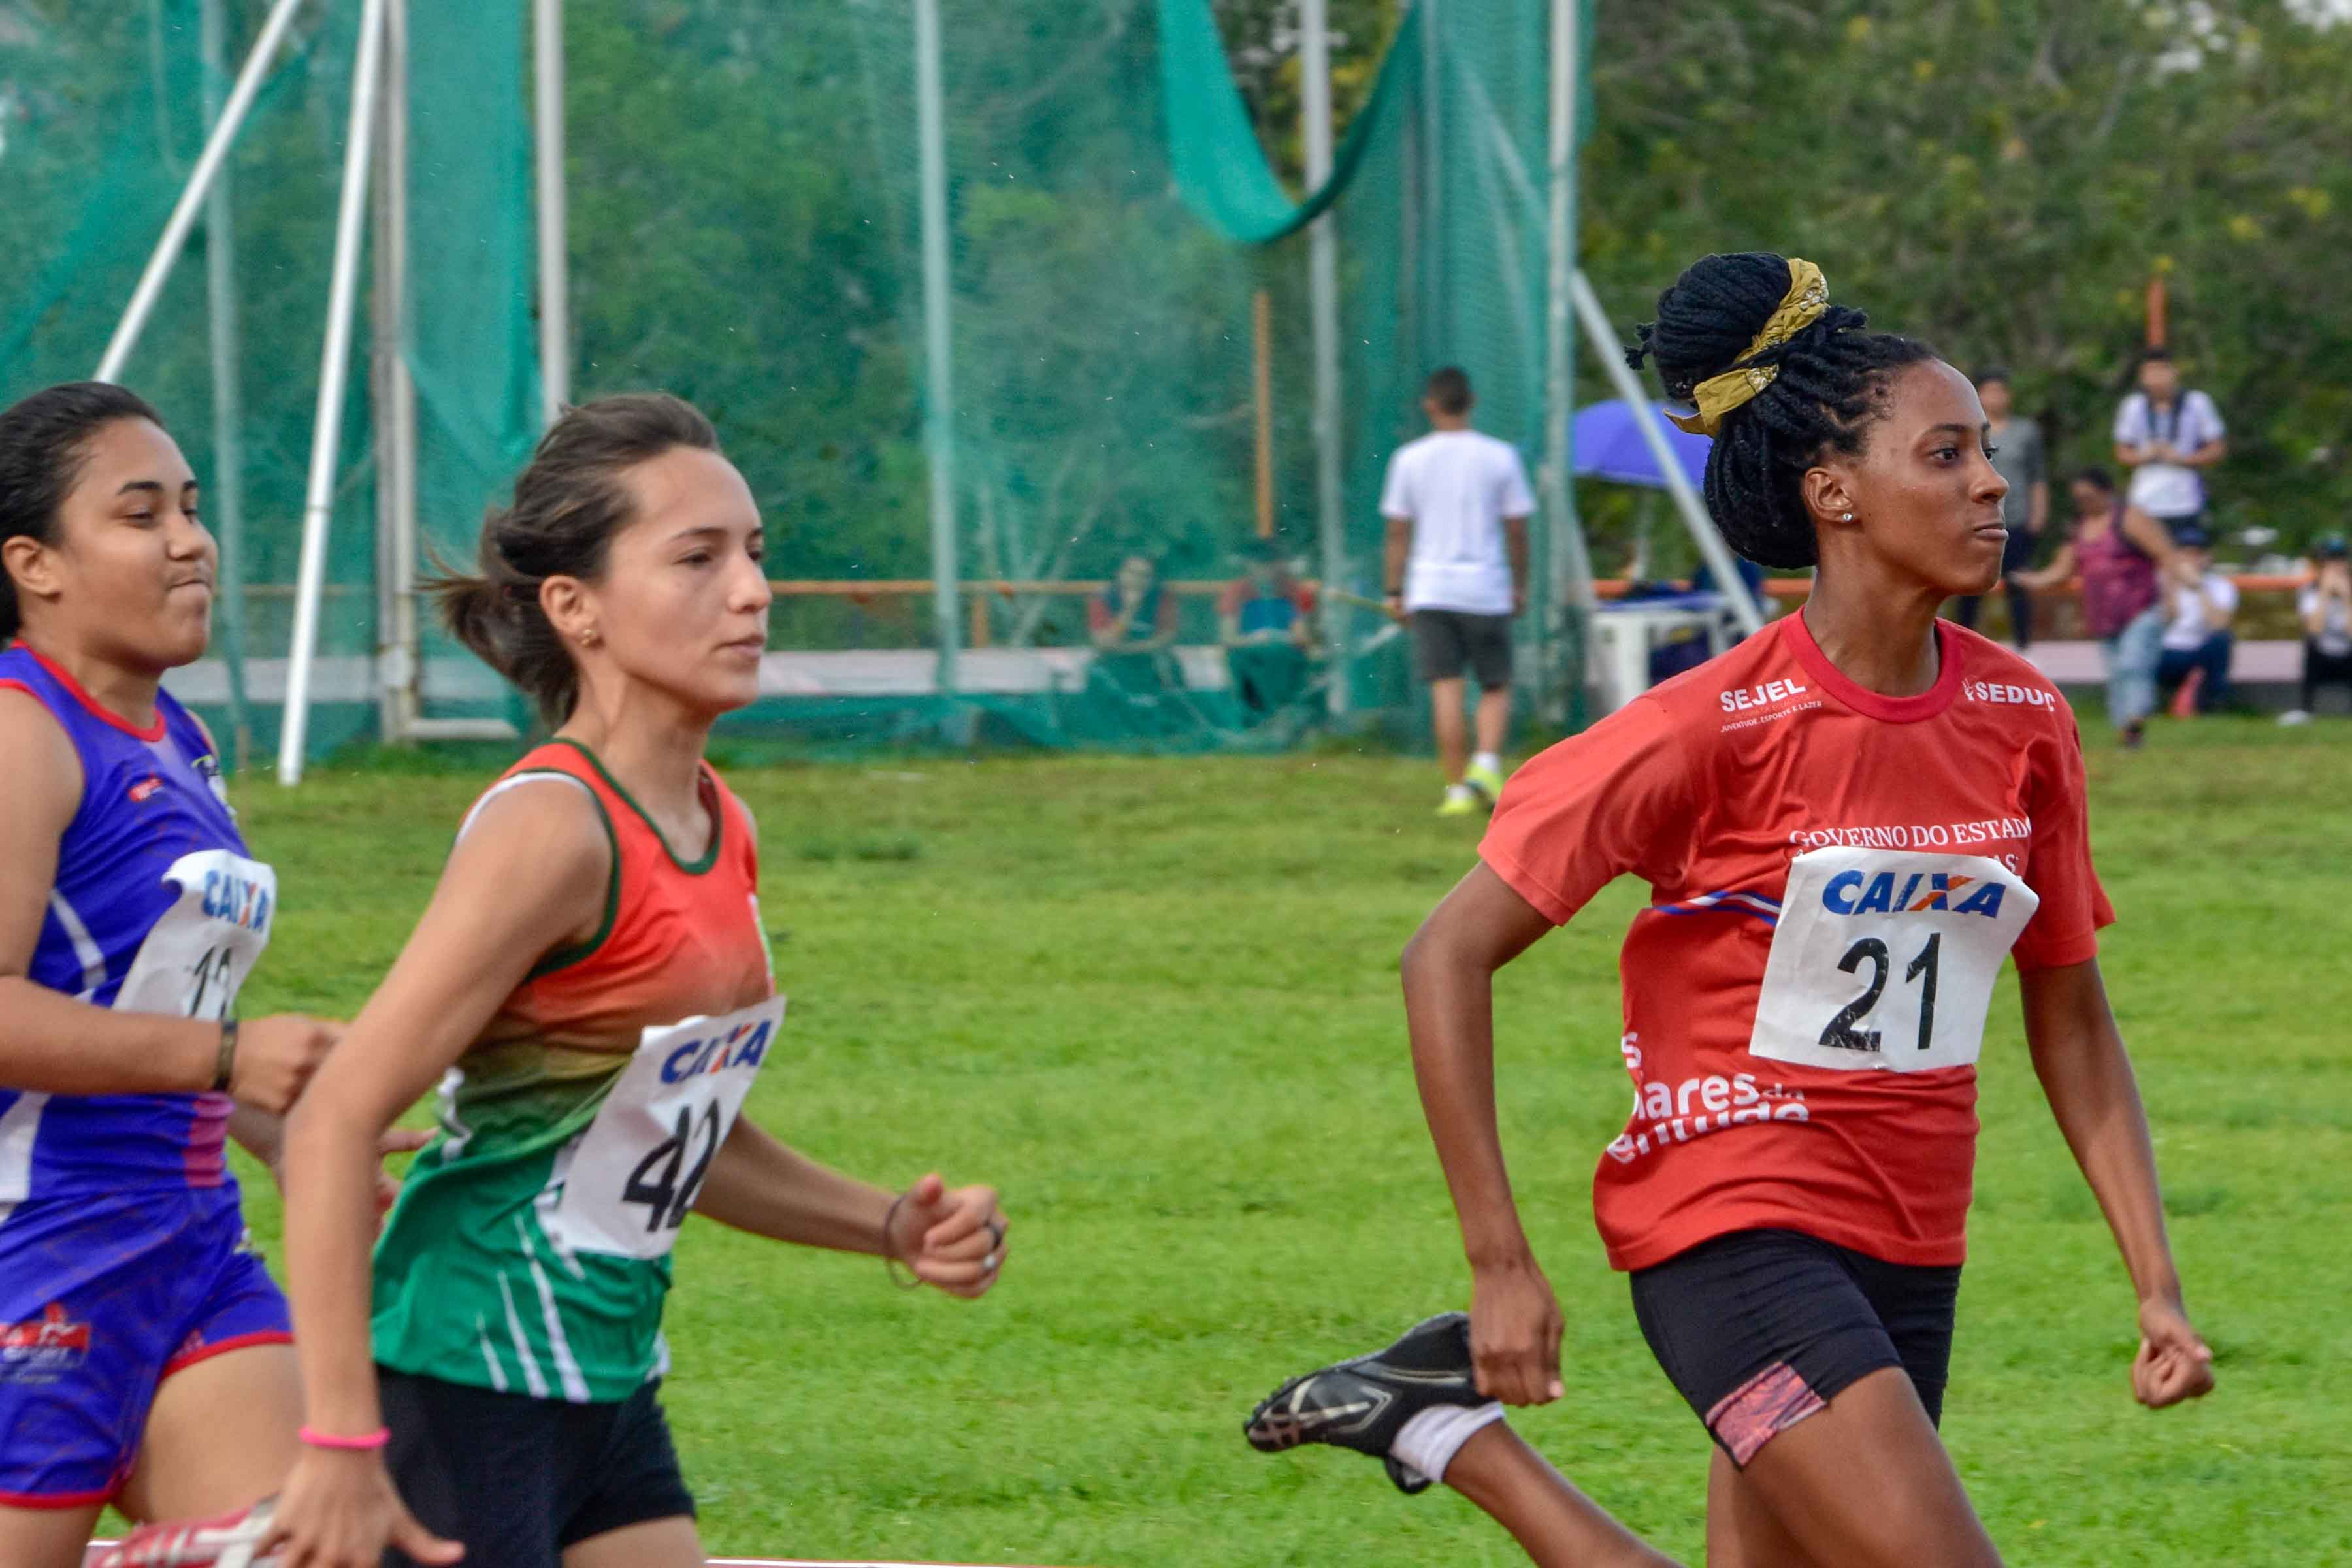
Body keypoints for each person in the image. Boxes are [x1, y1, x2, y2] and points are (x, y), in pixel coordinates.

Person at [1245, 253, 2212, 1568]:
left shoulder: (2024, 720)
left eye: (1987, 451)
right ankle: (1454, 1432)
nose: (1993, 483)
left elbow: (2074, 1016)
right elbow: (1446, 956)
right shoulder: (1711, 724)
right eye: (1946, 455)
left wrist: (2155, 1284)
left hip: (1912, 1239)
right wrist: (1499, 1263)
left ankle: (1447, 1438)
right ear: (1835, 495)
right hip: (1733, 1224)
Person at [237, 395, 1008, 1568]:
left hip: (603, 1381)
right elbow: (341, 1114)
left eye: (754, 555)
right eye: (696, 558)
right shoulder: (553, 830)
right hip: (463, 1375)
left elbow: (654, 1126)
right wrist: (340, 1438)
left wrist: (892, 1228)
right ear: (574, 607)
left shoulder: (716, 821)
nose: (750, 592)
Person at [0, 383, 410, 1568]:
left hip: (187, 1250)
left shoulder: (176, 735)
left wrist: (271, 1124)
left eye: (190, 506)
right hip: (40, 1255)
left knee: (319, 1550)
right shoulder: (23, 733)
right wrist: (230, 1055)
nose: (190, 540)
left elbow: (142, 993)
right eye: (140, 515)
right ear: (35, 563)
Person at [1379, 367, 1533, 817]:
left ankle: (1458, 791)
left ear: (1431, 405)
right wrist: (1518, 585)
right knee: (1495, 682)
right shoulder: (1501, 457)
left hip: (1431, 587)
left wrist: (1395, 590)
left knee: (1446, 688)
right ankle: (1486, 763)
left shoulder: (1408, 460)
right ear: (1473, 401)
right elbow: (1517, 531)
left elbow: (1397, 534)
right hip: (1486, 586)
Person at [2014, 470, 2177, 748]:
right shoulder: (2079, 528)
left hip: (2141, 608)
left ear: (2106, 492)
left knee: (2132, 665)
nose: (2084, 503)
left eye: (2089, 497)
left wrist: (2173, 598)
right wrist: (2027, 580)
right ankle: (2126, 732)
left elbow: (2165, 554)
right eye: (2079, 499)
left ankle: (2136, 721)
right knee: (2116, 674)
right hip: (2104, 616)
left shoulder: (2129, 518)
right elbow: (2062, 570)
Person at [1949, 368, 2045, 647]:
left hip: (2015, 517)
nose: (1996, 397)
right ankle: (1960, 643)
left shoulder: (2026, 431)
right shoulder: (1966, 432)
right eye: (1989, 391)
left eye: (2000, 391)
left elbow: (2037, 477)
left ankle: (2023, 648)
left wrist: (2038, 514)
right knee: (1970, 583)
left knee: (2018, 584)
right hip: (1976, 515)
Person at [2112, 348, 2225, 541]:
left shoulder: (2197, 403)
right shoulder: (2133, 406)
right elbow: (2122, 453)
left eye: (2162, 371)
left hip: (2185, 499)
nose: (2157, 378)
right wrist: (2145, 455)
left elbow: (2217, 449)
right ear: (2142, 377)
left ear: (2174, 372)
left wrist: (2182, 459)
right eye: (2151, 372)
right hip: (2144, 500)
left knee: (2187, 557)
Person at [1218, 538, 1317, 722]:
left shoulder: (1293, 591)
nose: (1266, 569)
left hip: (1284, 656)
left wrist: (1278, 638)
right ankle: (1255, 719)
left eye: (1271, 563)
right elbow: (1228, 638)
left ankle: (1284, 718)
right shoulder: (1236, 591)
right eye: (1260, 563)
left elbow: (1302, 636)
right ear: (1249, 565)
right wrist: (1256, 639)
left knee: (1284, 659)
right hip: (1249, 658)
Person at [2153, 525, 2236, 715]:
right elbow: (2163, 620)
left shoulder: (2221, 586)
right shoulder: (2159, 582)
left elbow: (2218, 624)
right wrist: (2172, 584)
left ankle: (2214, 703)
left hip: (2199, 651)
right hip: (2165, 651)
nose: (2192, 559)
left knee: (2222, 640)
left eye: (2197, 554)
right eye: (2186, 554)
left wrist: (2199, 587)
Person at [2281, 536, 2352, 723]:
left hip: (2348, 656)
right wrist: (2325, 594)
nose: (2336, 566)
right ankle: (2306, 709)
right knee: (2310, 643)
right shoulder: (2309, 591)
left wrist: (2347, 599)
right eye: (2330, 561)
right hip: (2322, 658)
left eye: (2340, 560)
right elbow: (2314, 629)